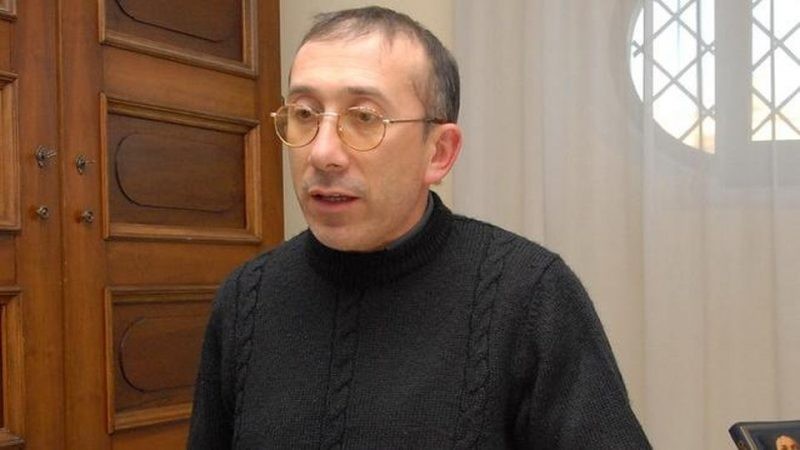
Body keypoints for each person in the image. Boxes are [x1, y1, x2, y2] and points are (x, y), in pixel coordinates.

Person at [187, 6, 650, 449]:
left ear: (439, 153)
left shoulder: (530, 296)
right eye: (305, 114)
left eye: (364, 118)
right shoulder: (246, 298)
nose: (323, 152)